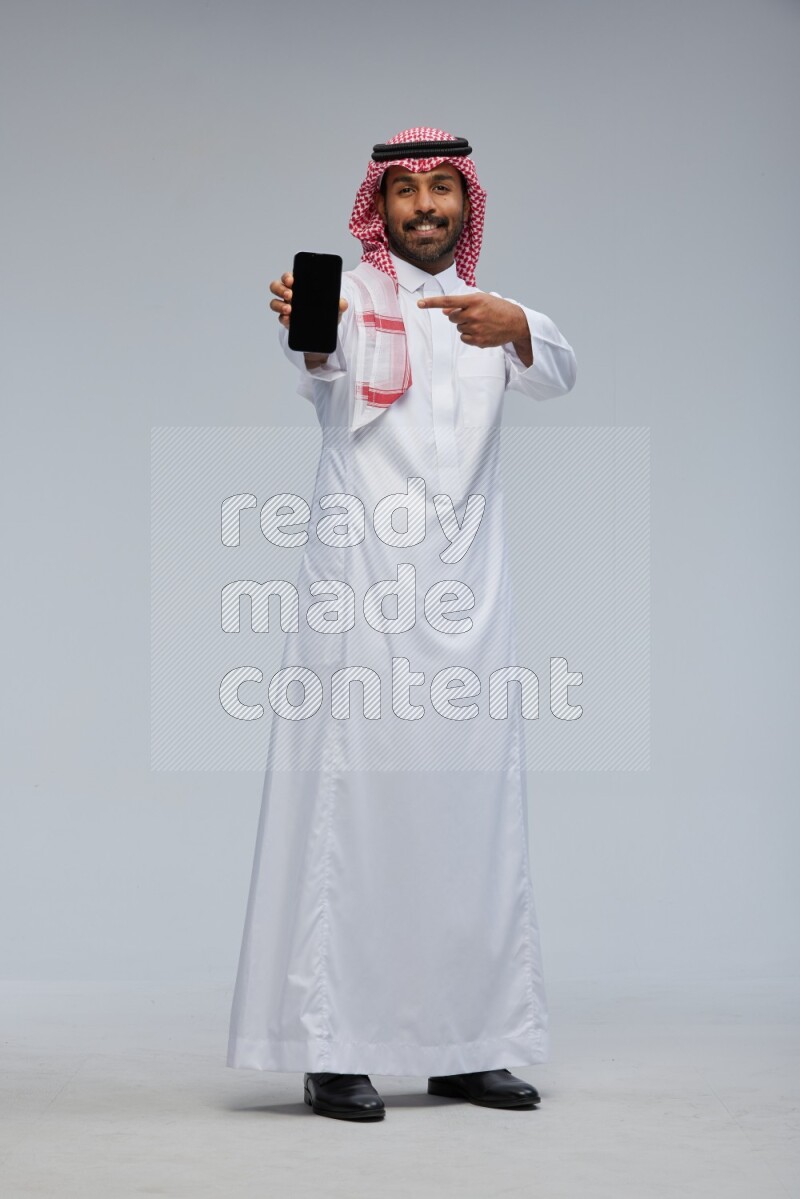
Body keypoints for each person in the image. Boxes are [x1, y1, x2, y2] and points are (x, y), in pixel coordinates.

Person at [227, 127, 577, 1122]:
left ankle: (466, 1044)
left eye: (441, 189)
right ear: (377, 208)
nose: (425, 206)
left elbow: (558, 367)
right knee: (354, 816)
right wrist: (308, 322)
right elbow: (318, 355)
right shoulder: (348, 298)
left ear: (467, 203)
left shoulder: (491, 313)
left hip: (468, 606)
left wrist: (515, 324)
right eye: (406, 191)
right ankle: (332, 1047)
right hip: (362, 602)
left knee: (470, 818)